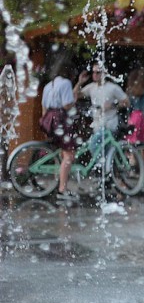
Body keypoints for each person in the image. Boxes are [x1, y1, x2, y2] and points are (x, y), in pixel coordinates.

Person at [41, 59, 82, 201]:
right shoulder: (66, 83)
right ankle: (62, 190)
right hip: (61, 120)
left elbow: (44, 107)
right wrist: (74, 100)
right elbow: (66, 105)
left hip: (50, 119)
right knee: (69, 156)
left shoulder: (48, 85)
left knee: (61, 154)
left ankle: (58, 183)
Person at [75, 62, 131, 156]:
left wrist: (113, 105)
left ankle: (100, 168)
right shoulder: (91, 87)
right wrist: (80, 82)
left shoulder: (112, 87)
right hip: (97, 124)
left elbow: (127, 102)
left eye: (98, 72)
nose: (95, 75)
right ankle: (105, 169)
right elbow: (74, 96)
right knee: (105, 152)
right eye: (93, 72)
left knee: (94, 146)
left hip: (109, 124)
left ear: (104, 73)